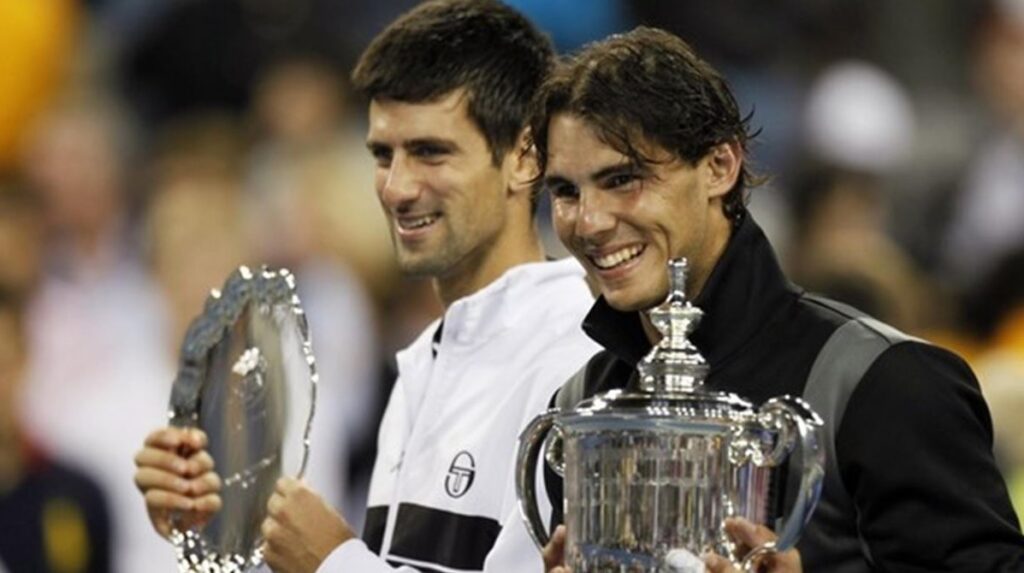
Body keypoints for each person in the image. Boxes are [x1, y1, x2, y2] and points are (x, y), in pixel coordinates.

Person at [529, 27, 1024, 572]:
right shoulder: (584, 399)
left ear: (721, 166)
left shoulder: (887, 382)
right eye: (566, 192)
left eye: (623, 179)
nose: (589, 222)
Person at [133, 1, 600, 572]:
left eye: (431, 152)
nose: (397, 188)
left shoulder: (585, 365)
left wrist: (333, 562)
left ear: (525, 157)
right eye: (383, 155)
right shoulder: (423, 369)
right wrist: (223, 525)